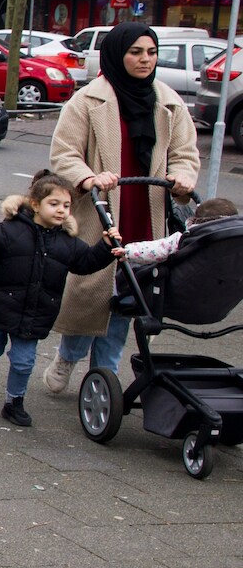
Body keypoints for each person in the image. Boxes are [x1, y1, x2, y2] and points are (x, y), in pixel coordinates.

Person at [43, 24, 199, 393]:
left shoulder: (169, 103)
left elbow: (184, 154)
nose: (145, 60)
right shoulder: (86, 101)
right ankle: (68, 356)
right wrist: (88, 178)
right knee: (90, 293)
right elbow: (64, 154)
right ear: (117, 55)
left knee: (128, 296)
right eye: (135, 52)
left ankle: (105, 375)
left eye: (151, 52)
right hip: (100, 211)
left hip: (146, 212)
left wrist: (182, 176)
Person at [0, 171, 124, 428]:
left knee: (24, 362)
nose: (61, 210)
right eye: (54, 204)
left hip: (33, 314)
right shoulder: (11, 230)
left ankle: (14, 402)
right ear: (35, 205)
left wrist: (105, 247)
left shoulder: (67, 242)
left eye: (66, 206)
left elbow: (86, 263)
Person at [116, 197, 239, 266]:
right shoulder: (236, 240)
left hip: (188, 287)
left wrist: (128, 251)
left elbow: (157, 249)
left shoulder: (186, 239)